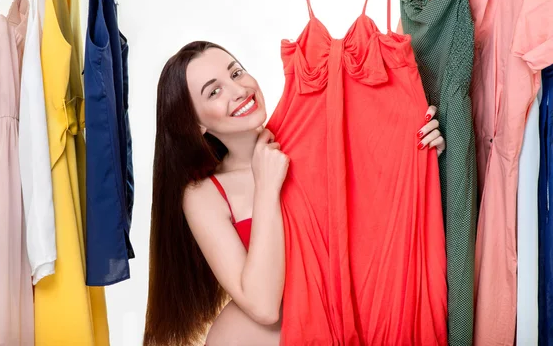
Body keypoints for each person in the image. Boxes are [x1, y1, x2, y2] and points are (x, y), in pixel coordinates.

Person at [143, 41, 446, 346]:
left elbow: (388, 223)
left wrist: (423, 155)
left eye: (236, 73)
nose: (237, 90)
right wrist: (266, 189)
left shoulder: (314, 138)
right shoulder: (204, 195)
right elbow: (263, 306)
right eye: (214, 91)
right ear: (196, 125)